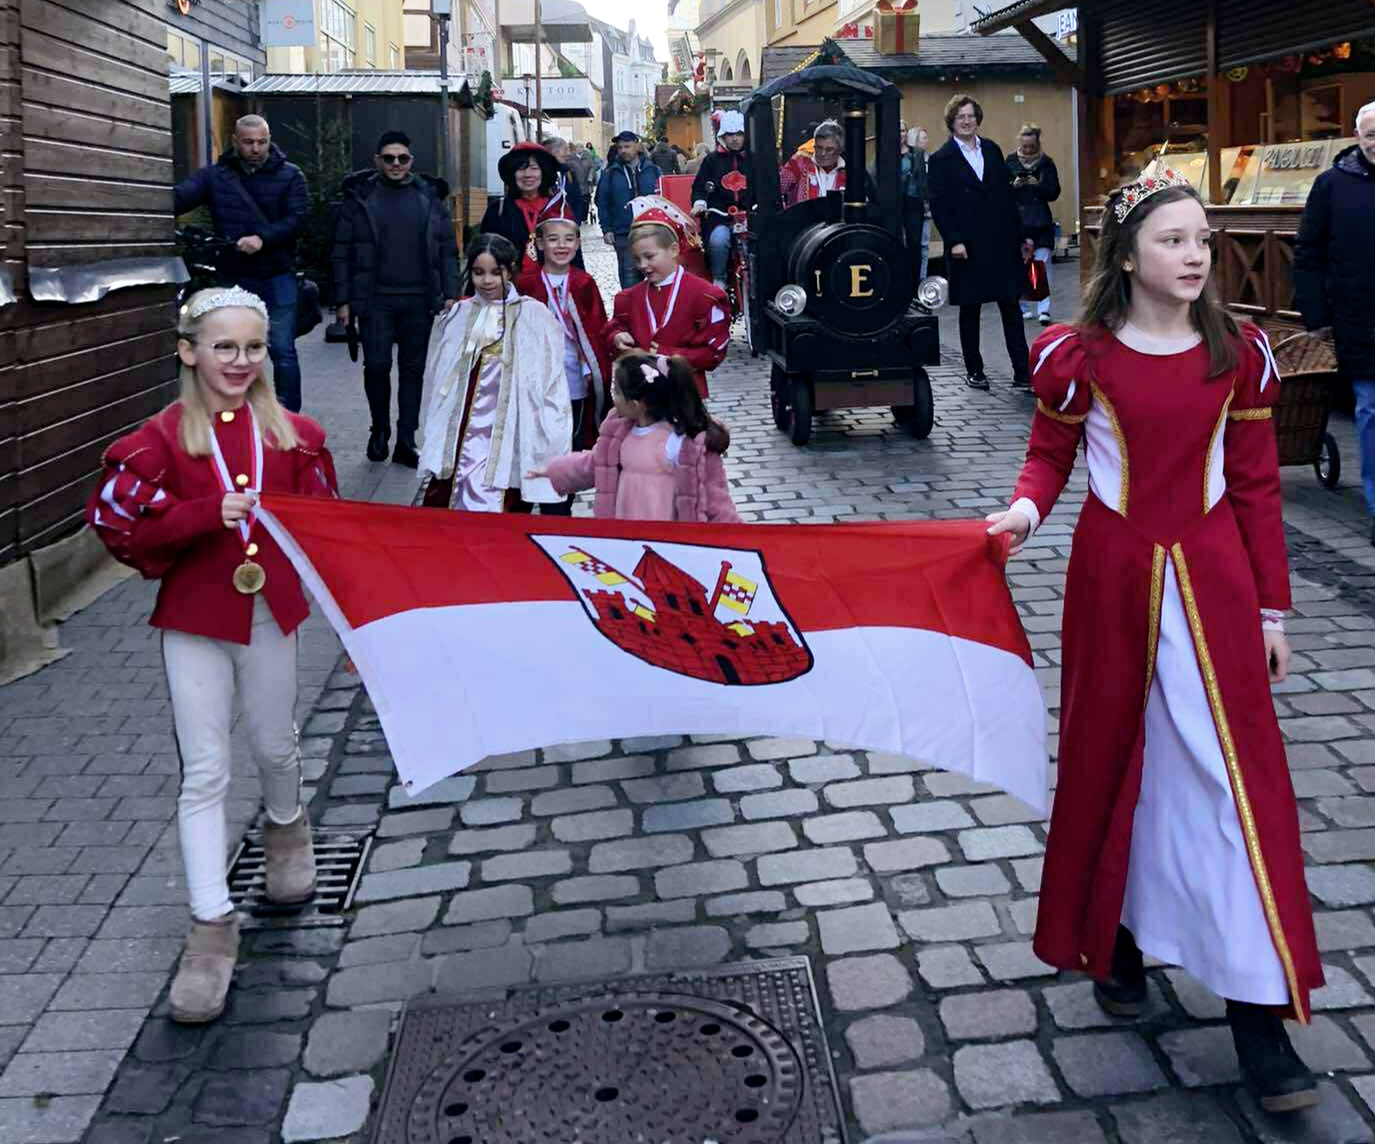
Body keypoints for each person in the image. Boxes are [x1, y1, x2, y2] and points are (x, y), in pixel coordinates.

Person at [987, 164, 1323, 1114]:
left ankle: (1257, 1016)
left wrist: (1270, 611)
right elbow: (1049, 455)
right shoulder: (1079, 357)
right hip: (1113, 586)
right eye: (1173, 240)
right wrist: (1020, 515)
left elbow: (1254, 485)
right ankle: (1120, 938)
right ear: (1127, 256)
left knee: (1228, 784)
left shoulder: (1237, 354)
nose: (1194, 256)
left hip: (1213, 588)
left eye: (1202, 241)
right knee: (1118, 763)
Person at [86, 287, 338, 1023]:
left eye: (252, 347)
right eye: (223, 346)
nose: (239, 360)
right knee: (204, 771)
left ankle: (287, 829)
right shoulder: (160, 439)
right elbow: (118, 525)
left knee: (275, 744)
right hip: (194, 620)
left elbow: (326, 525)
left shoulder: (294, 434)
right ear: (188, 350)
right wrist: (201, 515)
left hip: (269, 616)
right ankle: (210, 926)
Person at [332, 130, 460, 469]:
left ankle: (406, 439)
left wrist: (450, 293)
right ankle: (379, 430)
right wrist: (343, 300)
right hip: (374, 300)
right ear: (378, 160)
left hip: (419, 299)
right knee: (376, 366)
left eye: (402, 158)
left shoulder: (428, 197)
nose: (396, 164)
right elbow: (341, 252)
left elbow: (447, 249)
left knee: (412, 371)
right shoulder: (360, 198)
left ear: (411, 161)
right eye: (389, 158)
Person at [418, 235, 571, 513]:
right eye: (479, 273)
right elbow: (438, 371)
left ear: (510, 271)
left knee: (504, 490)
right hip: (464, 419)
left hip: (511, 419)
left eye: (495, 272)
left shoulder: (533, 315)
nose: (487, 281)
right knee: (453, 486)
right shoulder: (460, 314)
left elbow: (549, 376)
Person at [174, 115, 309, 412]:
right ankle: (238, 413)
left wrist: (263, 238)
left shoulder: (290, 176)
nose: (256, 148)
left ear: (270, 140)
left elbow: (297, 219)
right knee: (232, 348)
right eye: (248, 142)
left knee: (283, 350)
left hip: (277, 273)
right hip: (234, 275)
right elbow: (180, 198)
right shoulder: (215, 176)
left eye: (262, 142)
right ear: (235, 141)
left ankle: (288, 420)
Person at [1294, 100, 1375, 542]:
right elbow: (1308, 253)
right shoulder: (1332, 185)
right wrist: (1317, 316)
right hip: (1359, 317)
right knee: (1371, 411)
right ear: (1357, 136)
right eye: (1372, 135)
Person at [539, 352, 741, 523]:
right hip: (625, 537)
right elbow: (594, 464)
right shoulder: (619, 434)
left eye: (616, 391)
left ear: (636, 404)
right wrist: (554, 470)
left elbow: (716, 500)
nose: (612, 396)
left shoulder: (683, 443)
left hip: (668, 540)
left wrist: (739, 539)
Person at [928, 95, 1031, 390]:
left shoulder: (992, 150)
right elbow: (939, 205)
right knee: (970, 310)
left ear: (978, 119)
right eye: (960, 116)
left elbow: (1006, 197)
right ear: (952, 121)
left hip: (1000, 241)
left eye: (971, 116)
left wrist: (1021, 234)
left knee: (1011, 308)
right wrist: (954, 241)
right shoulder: (941, 159)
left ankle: (1022, 372)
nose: (966, 121)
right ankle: (975, 370)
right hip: (967, 245)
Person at [515, 199, 611, 464]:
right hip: (538, 375)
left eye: (569, 239)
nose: (561, 246)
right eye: (553, 239)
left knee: (575, 430)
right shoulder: (527, 283)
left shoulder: (584, 283)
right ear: (539, 243)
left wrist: (595, 367)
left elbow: (597, 328)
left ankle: (569, 479)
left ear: (578, 244)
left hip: (574, 374)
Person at [603, 210, 731, 398]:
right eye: (637, 259)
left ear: (673, 250)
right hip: (641, 395)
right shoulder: (629, 298)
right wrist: (616, 336)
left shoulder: (704, 296)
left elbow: (714, 352)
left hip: (686, 394)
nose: (642, 265)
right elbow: (614, 327)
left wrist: (664, 355)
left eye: (649, 256)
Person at [479, 142, 573, 272]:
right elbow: (484, 254)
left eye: (534, 168)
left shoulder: (559, 209)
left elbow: (574, 257)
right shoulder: (497, 211)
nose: (527, 174)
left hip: (552, 282)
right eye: (521, 168)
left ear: (543, 172)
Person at [691, 110, 755, 291]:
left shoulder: (753, 159)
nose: (735, 139)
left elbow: (763, 184)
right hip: (720, 216)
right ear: (723, 136)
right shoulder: (711, 160)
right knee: (718, 241)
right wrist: (700, 203)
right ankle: (719, 279)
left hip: (750, 216)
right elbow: (699, 187)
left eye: (739, 134)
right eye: (730, 134)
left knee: (759, 243)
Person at [1008, 124, 1062, 326]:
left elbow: (1054, 192)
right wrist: (1013, 186)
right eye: (1025, 147)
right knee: (1020, 264)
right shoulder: (1010, 162)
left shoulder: (1046, 163)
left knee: (1040, 265)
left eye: (1031, 147)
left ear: (1037, 144)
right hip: (1018, 220)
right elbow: (999, 190)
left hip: (1040, 220)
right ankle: (1022, 306)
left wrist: (1037, 185)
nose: (1028, 151)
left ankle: (1043, 309)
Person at [597, 131, 662, 287]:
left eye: (627, 146)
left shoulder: (653, 170)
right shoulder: (611, 173)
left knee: (657, 276)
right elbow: (602, 202)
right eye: (620, 148)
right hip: (623, 232)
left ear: (637, 146)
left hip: (652, 230)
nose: (623, 150)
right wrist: (606, 229)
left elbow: (663, 198)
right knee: (629, 279)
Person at [780, 121, 847, 207]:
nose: (823, 154)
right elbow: (778, 187)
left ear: (839, 150)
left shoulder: (849, 173)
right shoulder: (800, 162)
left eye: (829, 149)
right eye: (819, 148)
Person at [900, 126, 929, 283]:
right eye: (898, 130)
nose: (900, 134)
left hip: (914, 202)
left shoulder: (917, 153)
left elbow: (923, 179)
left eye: (903, 130)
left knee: (915, 244)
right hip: (894, 204)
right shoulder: (886, 153)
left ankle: (915, 282)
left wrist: (925, 201)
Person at [542, 135, 588, 226]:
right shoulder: (540, 175)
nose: (568, 154)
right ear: (552, 152)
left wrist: (575, 222)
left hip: (567, 226)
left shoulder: (568, 173)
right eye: (565, 150)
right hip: (545, 227)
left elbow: (578, 199)